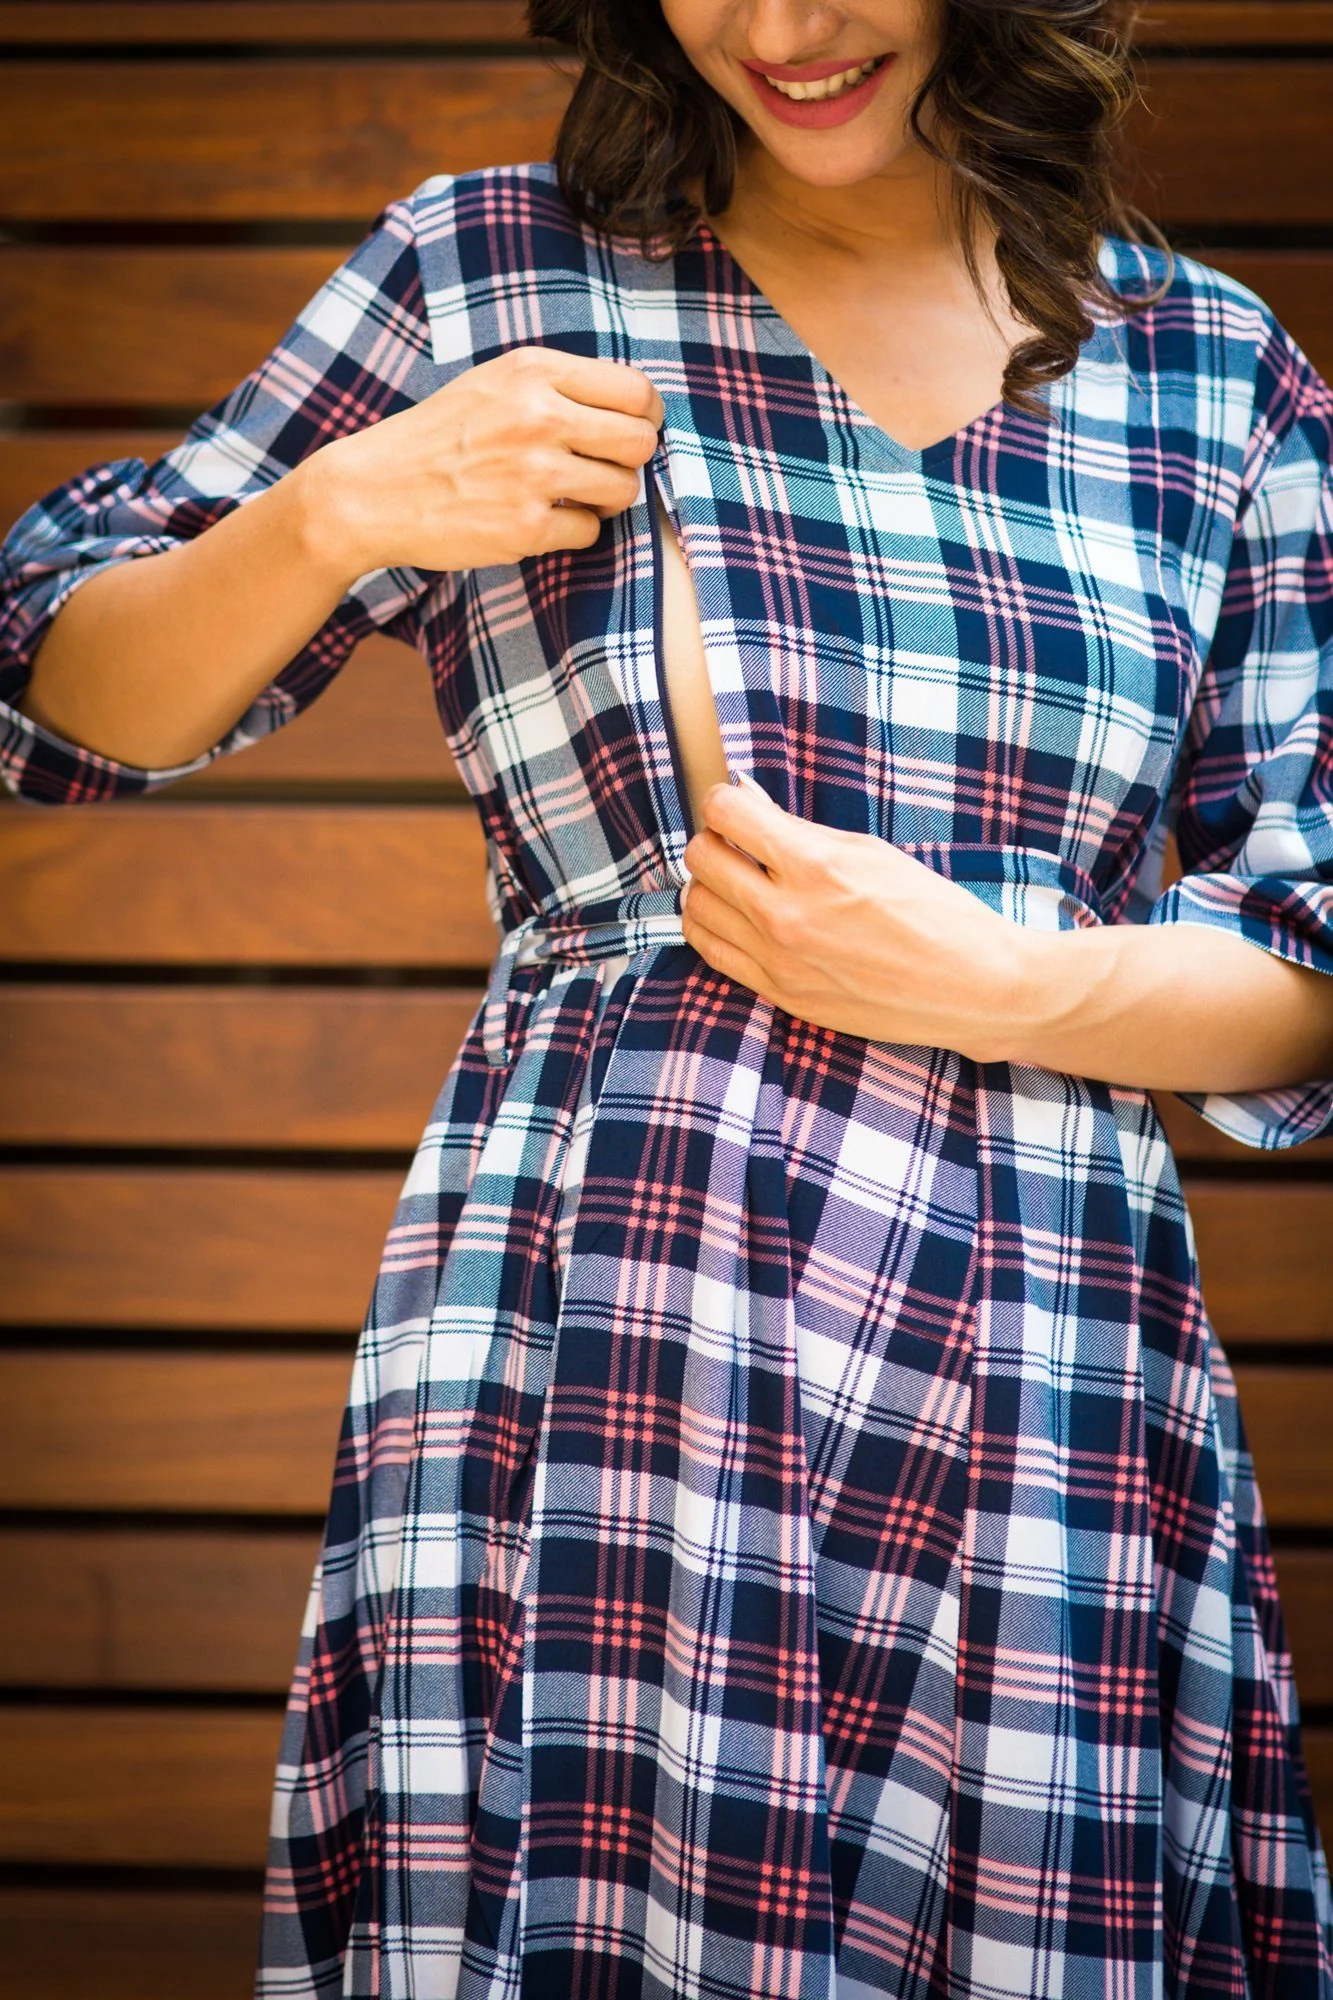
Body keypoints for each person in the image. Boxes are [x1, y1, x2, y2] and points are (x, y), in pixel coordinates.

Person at [2, 0, 1331, 1990]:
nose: (783, 26)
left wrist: (1008, 981)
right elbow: (56, 692)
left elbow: (1309, 970)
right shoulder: (491, 270)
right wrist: (337, 510)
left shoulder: (1214, 373)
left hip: (1046, 1351)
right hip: (604, 1334)